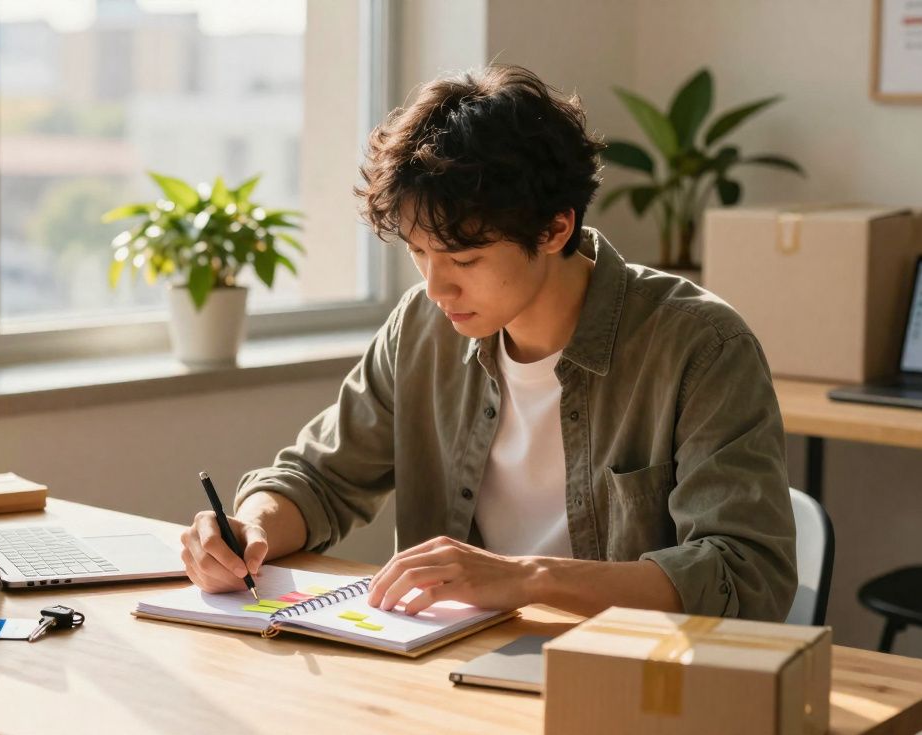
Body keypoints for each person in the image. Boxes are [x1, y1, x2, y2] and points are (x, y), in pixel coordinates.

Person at [178, 64, 797, 622]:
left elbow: (744, 574)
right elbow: (319, 479)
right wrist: (247, 528)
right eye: (418, 252)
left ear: (556, 227)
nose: (435, 285)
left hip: (626, 680)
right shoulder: (421, 329)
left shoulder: (701, 346)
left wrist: (528, 580)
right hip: (451, 668)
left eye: (464, 258)